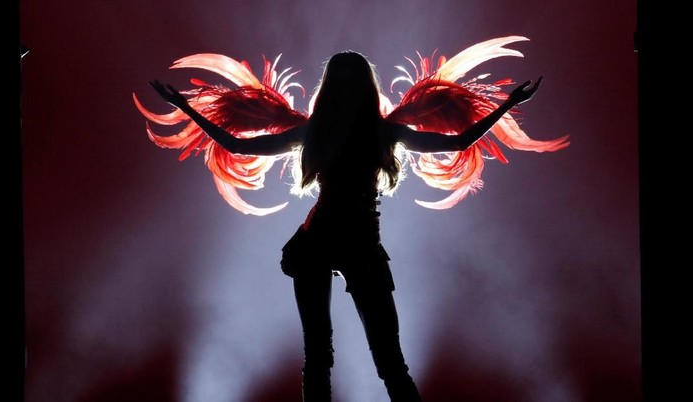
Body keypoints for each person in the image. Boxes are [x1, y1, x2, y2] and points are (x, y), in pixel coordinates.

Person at [149, 51, 542, 402]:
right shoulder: (373, 132)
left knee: (345, 356)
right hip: (336, 241)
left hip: (336, 240)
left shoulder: (345, 132)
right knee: (361, 357)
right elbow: (238, 146)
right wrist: (185, 107)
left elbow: (238, 146)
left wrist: (507, 104)